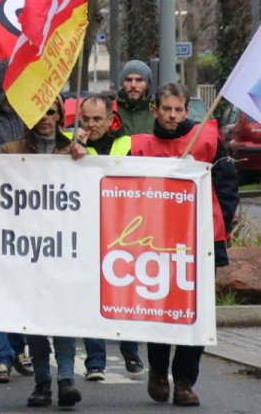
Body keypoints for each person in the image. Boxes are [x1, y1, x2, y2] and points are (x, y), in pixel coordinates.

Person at [130, 82, 238, 407]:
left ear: (186, 110)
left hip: (202, 239)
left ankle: (185, 380)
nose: (174, 116)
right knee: (161, 309)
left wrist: (223, 218)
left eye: (179, 110)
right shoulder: (140, 146)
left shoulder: (206, 138)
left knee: (198, 310)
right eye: (167, 109)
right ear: (156, 111)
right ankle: (159, 371)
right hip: (156, 241)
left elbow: (227, 182)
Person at [0, 97, 81, 408]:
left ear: (60, 115)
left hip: (63, 247)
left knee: (63, 317)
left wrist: (82, 157)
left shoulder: (74, 150)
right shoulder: (10, 151)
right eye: (38, 111)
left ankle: (67, 380)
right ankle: (43, 381)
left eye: (51, 111)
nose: (44, 118)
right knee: (34, 319)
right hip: (26, 249)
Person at [67, 94, 144, 379]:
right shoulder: (69, 141)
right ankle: (95, 362)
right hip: (86, 229)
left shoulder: (129, 143)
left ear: (111, 119)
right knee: (91, 296)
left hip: (124, 231)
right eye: (85, 118)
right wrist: (74, 148)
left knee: (124, 292)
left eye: (97, 119)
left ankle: (130, 349)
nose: (90, 124)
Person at [116, 60, 155, 135]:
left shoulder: (158, 110)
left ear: (147, 84)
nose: (133, 85)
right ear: (123, 83)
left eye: (139, 80)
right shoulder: (111, 109)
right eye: (128, 80)